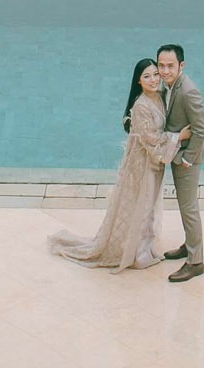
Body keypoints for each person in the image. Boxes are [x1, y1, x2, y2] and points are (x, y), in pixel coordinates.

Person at [46, 58, 187, 271]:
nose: (153, 80)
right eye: (146, 76)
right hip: (141, 164)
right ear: (138, 81)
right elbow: (151, 139)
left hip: (153, 163)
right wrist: (179, 137)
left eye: (155, 74)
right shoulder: (140, 106)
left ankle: (144, 246)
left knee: (148, 205)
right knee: (140, 203)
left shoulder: (160, 97)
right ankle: (137, 253)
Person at [155, 43, 204, 282]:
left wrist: (187, 158)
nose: (165, 71)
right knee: (185, 206)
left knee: (189, 208)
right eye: (161, 65)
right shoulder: (169, 86)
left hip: (186, 159)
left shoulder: (188, 91)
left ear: (181, 66)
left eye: (170, 66)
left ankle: (196, 262)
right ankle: (189, 245)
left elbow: (201, 130)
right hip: (176, 153)